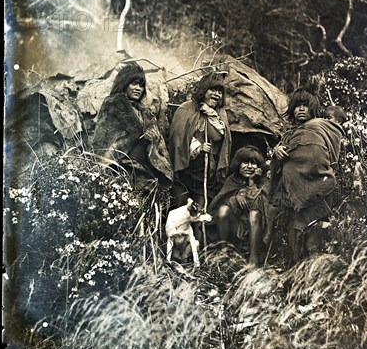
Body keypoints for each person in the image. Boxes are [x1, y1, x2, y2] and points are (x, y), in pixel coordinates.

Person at [263, 88, 344, 268]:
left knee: (315, 234)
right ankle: (297, 271)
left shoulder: (324, 127)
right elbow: (282, 153)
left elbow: (332, 155)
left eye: (305, 106)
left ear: (313, 109)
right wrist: (277, 151)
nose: (301, 109)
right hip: (295, 190)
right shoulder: (290, 133)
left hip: (318, 186)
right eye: (297, 106)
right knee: (295, 229)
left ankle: (316, 274)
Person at [92, 63, 174, 191]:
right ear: (124, 83)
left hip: (146, 171)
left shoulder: (145, 112)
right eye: (134, 83)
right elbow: (104, 142)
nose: (138, 88)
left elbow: (159, 144)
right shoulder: (113, 105)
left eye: (141, 85)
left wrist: (153, 139)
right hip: (122, 172)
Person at [168, 72, 232, 210]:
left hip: (206, 175)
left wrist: (211, 114)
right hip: (185, 173)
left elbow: (218, 137)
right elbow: (178, 139)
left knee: (200, 213)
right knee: (181, 210)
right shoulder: (186, 109)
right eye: (213, 90)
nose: (216, 94)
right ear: (203, 89)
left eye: (220, 92)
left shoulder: (219, 113)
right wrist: (197, 148)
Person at [208, 145, 268, 267]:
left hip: (258, 230)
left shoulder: (263, 181)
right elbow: (220, 203)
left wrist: (251, 183)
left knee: (254, 213)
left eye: (254, 163)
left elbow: (258, 205)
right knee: (223, 210)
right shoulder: (232, 180)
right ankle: (224, 252)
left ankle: (253, 258)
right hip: (237, 229)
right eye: (245, 162)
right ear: (238, 164)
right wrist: (235, 198)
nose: (250, 167)